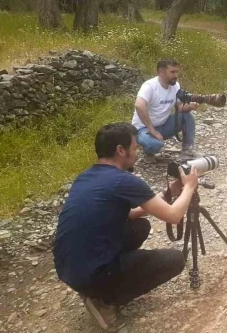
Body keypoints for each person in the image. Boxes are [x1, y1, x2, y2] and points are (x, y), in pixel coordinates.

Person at [53, 122, 200, 332]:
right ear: (120, 150)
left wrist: (170, 193)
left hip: (68, 267)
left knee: (140, 226)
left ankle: (101, 283)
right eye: (135, 147)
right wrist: (190, 186)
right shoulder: (124, 180)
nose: (137, 152)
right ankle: (105, 299)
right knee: (175, 260)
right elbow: (174, 216)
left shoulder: (86, 177)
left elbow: (130, 214)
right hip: (91, 274)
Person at [132, 58, 200, 162]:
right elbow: (139, 105)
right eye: (172, 72)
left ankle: (187, 150)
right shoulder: (149, 86)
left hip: (163, 125)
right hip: (143, 129)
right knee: (155, 145)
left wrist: (190, 106)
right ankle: (147, 150)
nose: (176, 75)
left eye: (177, 72)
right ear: (161, 72)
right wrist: (152, 130)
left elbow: (179, 107)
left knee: (187, 116)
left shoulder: (175, 86)